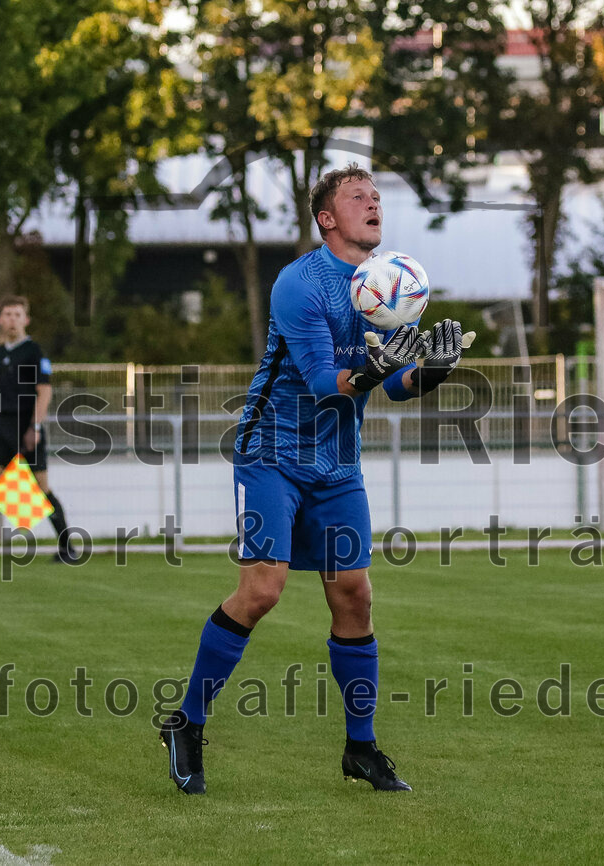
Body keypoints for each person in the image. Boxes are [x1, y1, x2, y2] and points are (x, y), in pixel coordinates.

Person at [159, 164, 465, 794]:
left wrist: (432, 369)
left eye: (378, 196)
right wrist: (376, 369)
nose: (374, 203)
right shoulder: (299, 284)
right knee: (262, 590)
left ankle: (361, 749)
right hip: (271, 452)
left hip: (337, 465)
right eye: (359, 196)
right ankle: (186, 721)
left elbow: (398, 386)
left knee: (354, 593)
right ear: (327, 218)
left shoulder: (392, 285)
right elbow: (328, 382)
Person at [0, 295, 78, 565]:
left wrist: (35, 427)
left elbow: (45, 392)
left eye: (17, 314)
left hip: (27, 425)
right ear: (0, 320)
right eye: (7, 314)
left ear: (25, 319)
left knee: (40, 487)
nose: (12, 319)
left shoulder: (33, 351)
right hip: (3, 423)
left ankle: (68, 548)